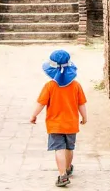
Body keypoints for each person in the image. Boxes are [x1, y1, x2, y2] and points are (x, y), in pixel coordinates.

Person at [29, 50, 88, 188]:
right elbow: (81, 104)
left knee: (59, 149)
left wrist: (34, 115)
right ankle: (68, 168)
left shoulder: (49, 86)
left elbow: (41, 103)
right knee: (69, 148)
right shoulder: (76, 85)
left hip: (55, 125)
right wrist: (84, 117)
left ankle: (62, 176)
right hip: (71, 124)